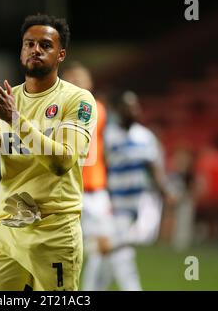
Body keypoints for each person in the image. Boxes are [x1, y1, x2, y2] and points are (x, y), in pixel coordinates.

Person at [0, 14, 97, 291]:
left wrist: (15, 121)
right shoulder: (6, 99)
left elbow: (62, 161)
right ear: (21, 49)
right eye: (29, 43)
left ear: (61, 54)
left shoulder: (77, 100)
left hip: (53, 232)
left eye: (45, 45)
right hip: (8, 227)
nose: (35, 50)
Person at [93, 90, 173, 291]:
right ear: (119, 110)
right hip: (112, 205)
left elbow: (154, 168)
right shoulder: (107, 136)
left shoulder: (145, 137)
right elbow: (100, 168)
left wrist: (166, 191)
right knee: (120, 251)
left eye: (135, 106)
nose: (133, 111)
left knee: (106, 254)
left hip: (136, 206)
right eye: (128, 107)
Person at [60, 61, 113, 291]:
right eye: (72, 79)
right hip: (66, 191)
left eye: (81, 79)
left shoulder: (97, 109)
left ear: (89, 83)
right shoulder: (55, 109)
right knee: (64, 250)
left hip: (94, 191)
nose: (77, 83)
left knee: (105, 248)